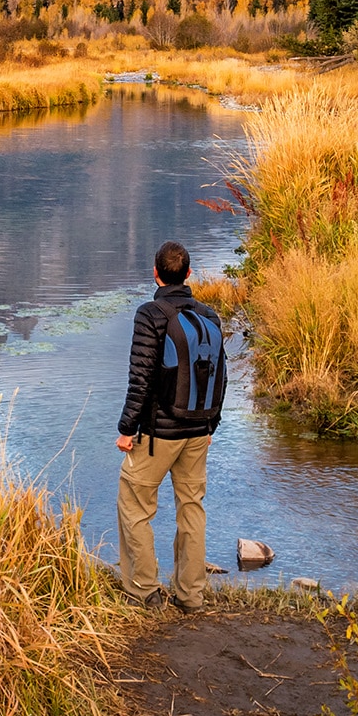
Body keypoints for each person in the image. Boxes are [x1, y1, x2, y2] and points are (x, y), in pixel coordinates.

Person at [116, 239, 226, 611]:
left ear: (155, 272)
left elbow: (141, 378)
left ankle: (143, 590)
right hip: (198, 430)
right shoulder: (210, 316)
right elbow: (220, 377)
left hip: (157, 434)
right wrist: (212, 426)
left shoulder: (150, 314)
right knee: (191, 508)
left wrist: (127, 429)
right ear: (189, 274)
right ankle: (190, 595)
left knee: (134, 504)